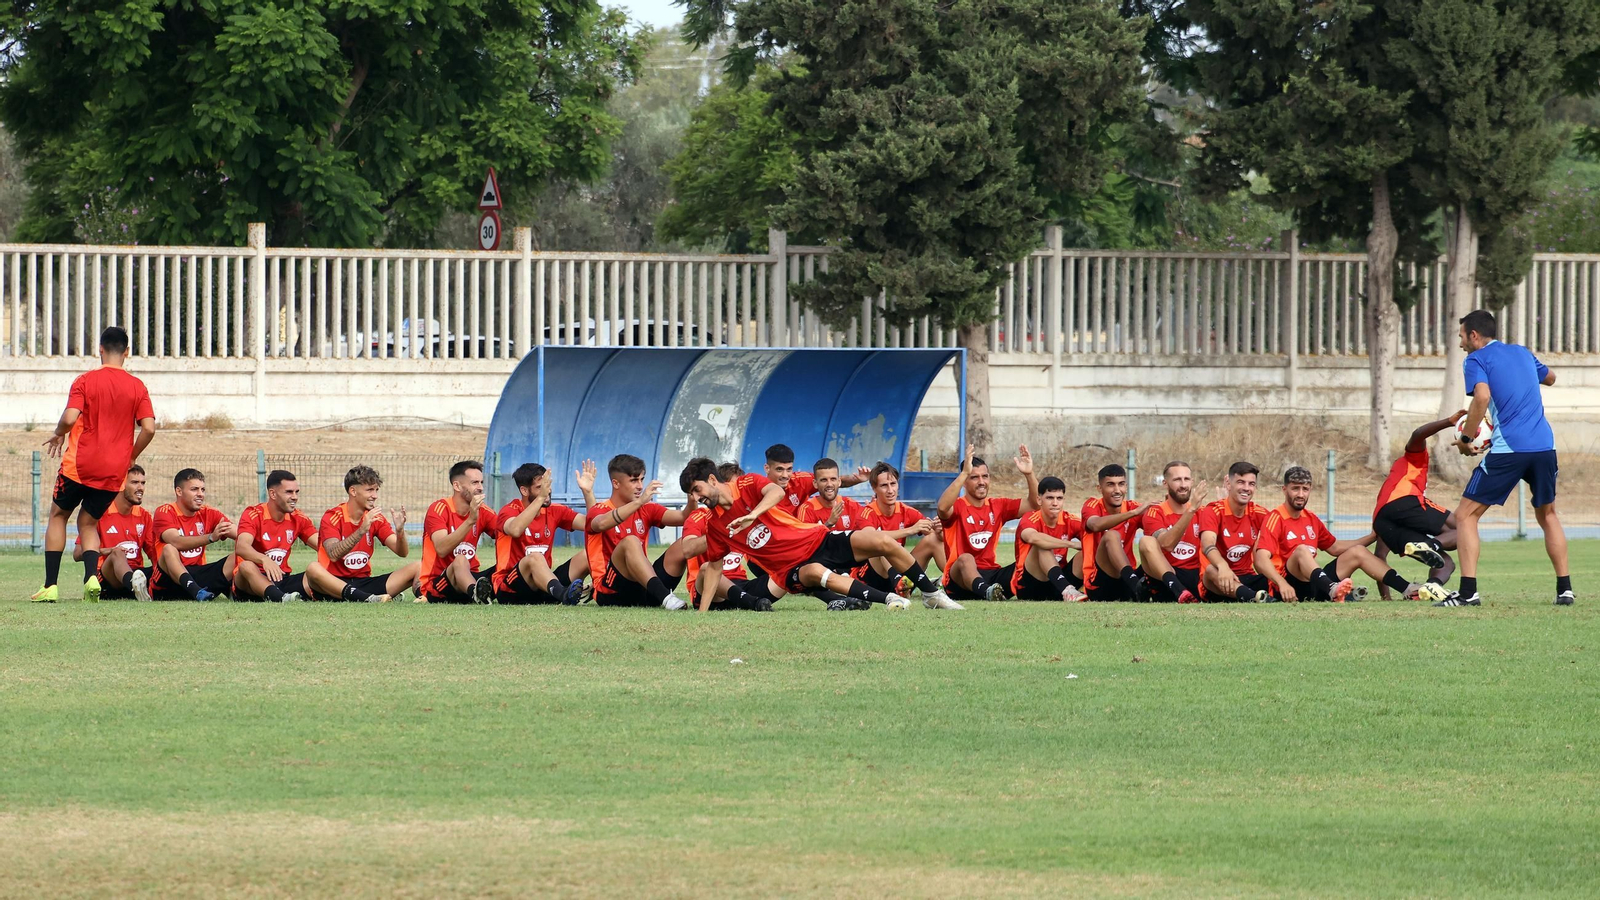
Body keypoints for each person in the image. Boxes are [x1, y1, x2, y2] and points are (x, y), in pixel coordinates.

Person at [679, 458, 964, 610]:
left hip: (816, 539)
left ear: (713, 480)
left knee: (881, 541)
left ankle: (930, 594)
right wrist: (703, 615)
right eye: (691, 494)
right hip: (789, 570)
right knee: (815, 572)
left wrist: (753, 514)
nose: (696, 497)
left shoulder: (747, 483)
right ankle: (887, 598)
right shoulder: (716, 525)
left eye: (697, 489)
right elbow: (713, 566)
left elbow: (775, 491)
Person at [1447, 309, 1571, 607]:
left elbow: (1482, 397)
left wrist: (1467, 438)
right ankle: (1565, 590)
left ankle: (1468, 593)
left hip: (1510, 449)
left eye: (1461, 336)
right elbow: (1551, 378)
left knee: (1465, 516)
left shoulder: (1475, 359)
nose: (1461, 342)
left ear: (1474, 336)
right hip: (1544, 446)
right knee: (1548, 514)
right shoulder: (1523, 353)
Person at [33, 326, 157, 603]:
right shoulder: (138, 386)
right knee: (89, 524)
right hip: (113, 471)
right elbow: (148, 428)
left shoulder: (85, 380)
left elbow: (69, 418)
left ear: (100, 349)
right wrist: (131, 456)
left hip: (80, 465)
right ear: (127, 353)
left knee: (58, 517)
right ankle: (91, 578)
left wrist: (58, 433)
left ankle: (50, 586)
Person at [1255, 466, 1447, 603]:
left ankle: (1407, 589)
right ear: (1284, 490)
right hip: (1289, 587)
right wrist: (1282, 584)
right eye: (1295, 488)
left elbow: (1335, 548)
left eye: (1305, 489)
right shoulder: (1276, 517)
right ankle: (1332, 589)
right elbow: (1261, 560)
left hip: (1316, 585)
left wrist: (1372, 536)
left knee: (1357, 551)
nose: (1300, 494)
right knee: (1301, 551)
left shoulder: (1310, 518)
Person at [585, 454, 697, 609]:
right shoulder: (599, 510)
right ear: (616, 483)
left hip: (642, 588)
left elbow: (684, 517)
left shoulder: (646, 508)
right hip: (610, 591)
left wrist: (692, 496)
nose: (640, 486)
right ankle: (666, 598)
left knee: (686, 543)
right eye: (633, 480)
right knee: (630, 541)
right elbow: (601, 523)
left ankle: (702, 594)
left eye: (642, 479)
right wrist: (639, 501)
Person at [1371, 413, 1463, 599]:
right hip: (1405, 501)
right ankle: (1430, 544)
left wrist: (1385, 598)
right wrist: (1449, 422)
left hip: (1380, 521)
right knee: (1464, 528)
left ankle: (1432, 586)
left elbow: (1379, 556)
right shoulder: (1415, 459)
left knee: (1446, 562)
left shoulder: (1389, 493)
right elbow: (1418, 434)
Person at [937, 448, 1040, 602]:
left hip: (991, 574)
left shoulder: (998, 505)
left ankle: (1051, 590)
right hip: (959, 581)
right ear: (964, 482)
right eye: (974, 477)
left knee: (1031, 558)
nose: (981, 482)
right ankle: (986, 591)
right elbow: (942, 508)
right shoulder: (957, 506)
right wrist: (964, 473)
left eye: (985, 476)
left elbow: (1035, 505)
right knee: (965, 558)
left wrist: (1029, 474)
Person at [306, 465, 416, 602]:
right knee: (313, 569)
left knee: (418, 566)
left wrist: (400, 532)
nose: (375, 496)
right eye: (370, 490)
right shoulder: (332, 516)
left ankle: (423, 597)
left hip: (363, 583)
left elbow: (402, 552)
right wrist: (361, 531)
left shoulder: (376, 518)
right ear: (353, 491)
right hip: (332, 586)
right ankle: (367, 599)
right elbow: (333, 555)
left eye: (376, 490)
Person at [491, 461, 595, 605]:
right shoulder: (509, 510)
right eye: (540, 487)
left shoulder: (554, 510)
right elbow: (515, 529)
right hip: (510, 589)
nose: (548, 491)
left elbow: (593, 524)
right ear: (524, 491)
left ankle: (598, 590)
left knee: (587, 554)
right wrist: (540, 498)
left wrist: (588, 492)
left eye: (548, 485)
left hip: (543, 587)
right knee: (535, 558)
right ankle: (564, 594)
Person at [857, 462, 944, 606]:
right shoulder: (866, 512)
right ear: (874, 488)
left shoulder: (906, 511)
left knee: (933, 539)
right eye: (884, 485)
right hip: (872, 578)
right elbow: (870, 538)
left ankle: (952, 583)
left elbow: (933, 534)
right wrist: (910, 530)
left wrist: (938, 530)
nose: (890, 490)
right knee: (880, 542)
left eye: (893, 484)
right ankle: (899, 581)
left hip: (903, 577)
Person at [683, 462, 765, 611]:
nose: (739, 492)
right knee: (706, 568)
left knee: (784, 572)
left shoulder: (748, 512)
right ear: (717, 483)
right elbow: (688, 549)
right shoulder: (703, 517)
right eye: (734, 487)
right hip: (708, 589)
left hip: (740, 584)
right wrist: (724, 534)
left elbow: (777, 492)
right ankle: (750, 602)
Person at [418, 460, 501, 604]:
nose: (480, 488)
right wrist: (470, 521)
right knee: (461, 559)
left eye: (481, 482)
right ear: (457, 485)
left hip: (470, 577)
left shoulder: (484, 512)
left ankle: (479, 592)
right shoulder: (438, 509)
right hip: (439, 584)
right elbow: (442, 549)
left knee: (510, 566)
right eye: (474, 483)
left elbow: (508, 535)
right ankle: (475, 593)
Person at [147, 468, 236, 601]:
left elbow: (242, 535)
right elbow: (175, 541)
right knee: (169, 549)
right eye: (194, 489)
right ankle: (197, 591)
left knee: (240, 552)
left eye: (202, 490)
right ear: (179, 491)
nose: (200, 494)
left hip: (197, 574)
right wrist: (211, 537)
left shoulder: (209, 512)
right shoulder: (165, 511)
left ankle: (236, 589)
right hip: (167, 582)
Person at [232, 470, 319, 603]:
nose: (295, 497)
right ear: (273, 494)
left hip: (281, 579)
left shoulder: (299, 518)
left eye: (297, 492)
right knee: (246, 566)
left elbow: (323, 546)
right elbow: (242, 547)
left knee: (316, 570)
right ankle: (280, 598)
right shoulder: (253, 514)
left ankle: (284, 596)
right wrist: (264, 559)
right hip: (249, 584)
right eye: (289, 492)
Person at [71, 465, 155, 600]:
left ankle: (140, 588)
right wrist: (108, 551)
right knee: (117, 553)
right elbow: (77, 554)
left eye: (143, 483)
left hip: (135, 572)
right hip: (107, 579)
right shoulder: (100, 514)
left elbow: (153, 552)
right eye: (134, 482)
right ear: (121, 485)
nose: (141, 488)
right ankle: (135, 587)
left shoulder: (144, 516)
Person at [1197, 462, 1272, 603]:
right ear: (1229, 484)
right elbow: (1207, 545)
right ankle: (1254, 597)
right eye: (1240, 482)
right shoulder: (1213, 510)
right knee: (1210, 571)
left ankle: (1253, 595)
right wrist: (1223, 566)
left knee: (1276, 574)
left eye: (1251, 484)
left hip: (1246, 577)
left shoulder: (1260, 513)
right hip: (1217, 580)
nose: (1246, 488)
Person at [1137, 461, 1208, 604]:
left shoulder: (1203, 511)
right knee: (1146, 541)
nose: (1183, 485)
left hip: (1195, 575)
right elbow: (1167, 544)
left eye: (1186, 479)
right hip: (1166, 578)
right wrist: (1191, 510)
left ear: (1192, 481)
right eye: (1177, 480)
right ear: (1165, 483)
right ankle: (1178, 590)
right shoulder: (1155, 512)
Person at [1009, 476, 1085, 602]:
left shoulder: (1069, 519)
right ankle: (1068, 591)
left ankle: (1092, 589)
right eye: (1050, 498)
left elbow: (1096, 539)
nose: (1055, 503)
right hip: (1030, 585)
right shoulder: (1030, 518)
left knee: (1087, 551)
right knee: (1042, 545)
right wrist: (1071, 544)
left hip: (1057, 585)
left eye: (1059, 498)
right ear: (1039, 500)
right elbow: (1033, 537)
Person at [1080, 464, 1148, 602]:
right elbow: (1095, 525)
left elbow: (1157, 527)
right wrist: (1132, 514)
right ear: (1100, 488)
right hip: (1098, 581)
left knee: (1152, 541)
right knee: (1111, 535)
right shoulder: (1092, 505)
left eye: (1121, 484)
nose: (1117, 490)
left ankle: (1174, 588)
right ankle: (1136, 585)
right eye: (1110, 485)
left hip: (1126, 577)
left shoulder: (1132, 506)